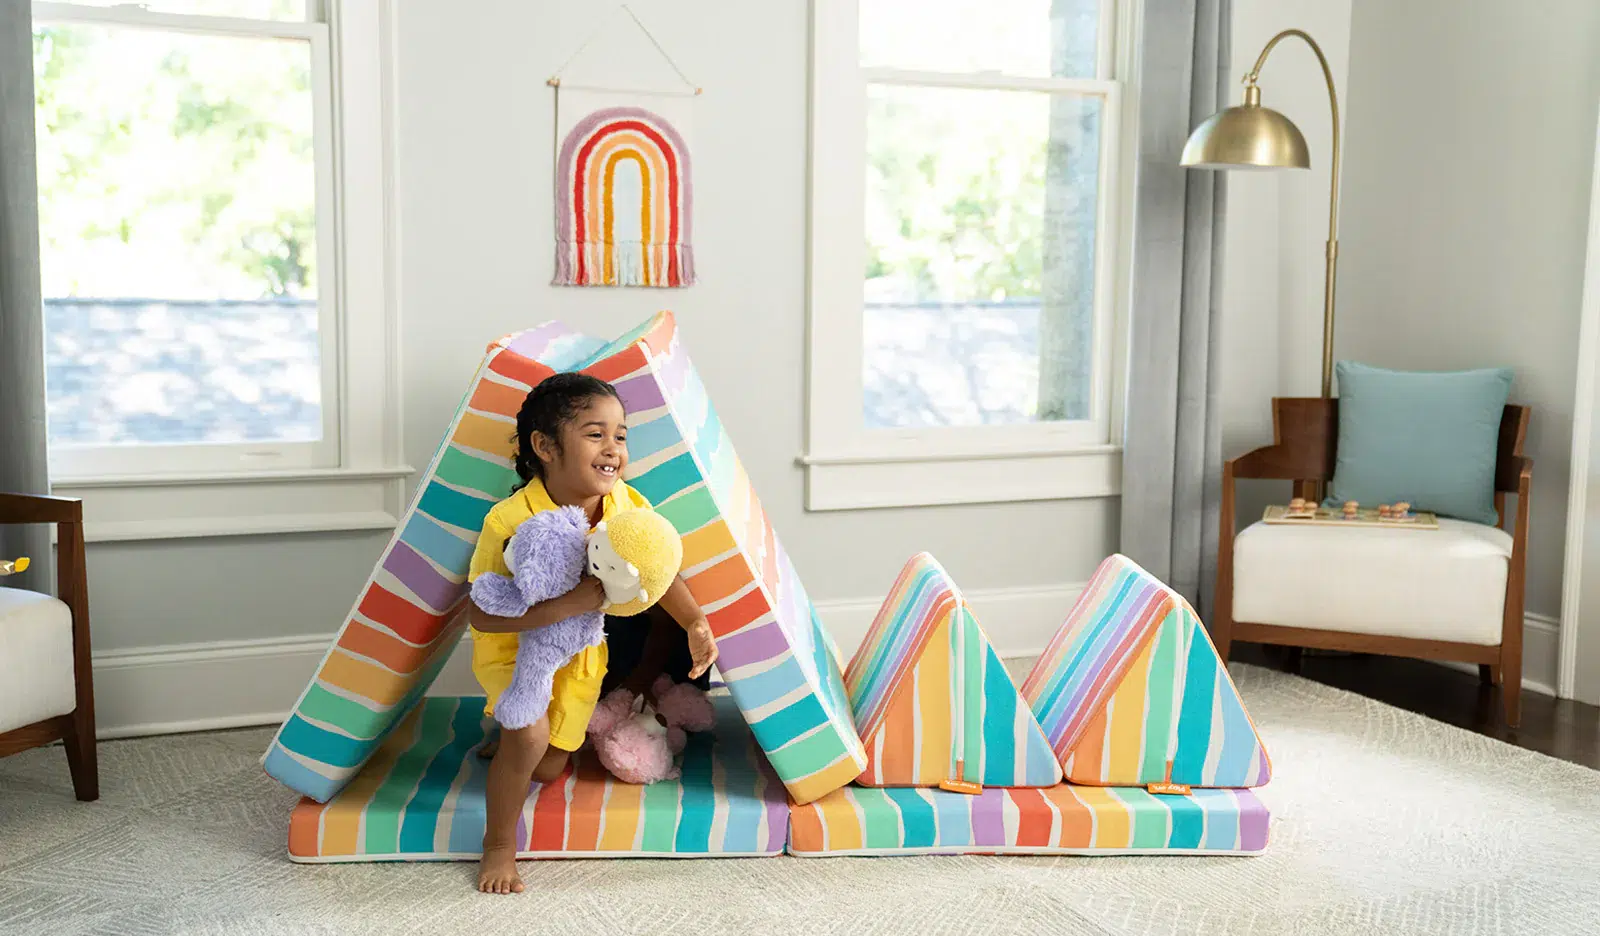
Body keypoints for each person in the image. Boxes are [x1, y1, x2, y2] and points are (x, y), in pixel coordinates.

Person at [466, 372, 717, 894]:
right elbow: (483, 615)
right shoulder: (510, 519)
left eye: (621, 436)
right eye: (595, 434)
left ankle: (513, 743)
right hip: (517, 657)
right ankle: (498, 845)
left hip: (581, 659)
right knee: (528, 738)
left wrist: (694, 621)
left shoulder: (625, 506)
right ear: (545, 446)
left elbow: (659, 570)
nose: (613, 449)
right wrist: (565, 605)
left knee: (551, 764)